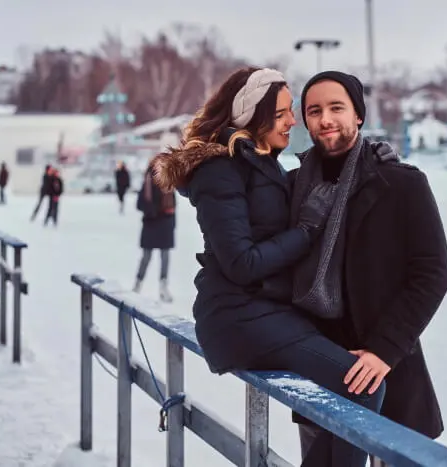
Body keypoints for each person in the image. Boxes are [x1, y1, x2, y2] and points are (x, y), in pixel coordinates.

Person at [151, 67, 398, 466]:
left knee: (357, 382)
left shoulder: (260, 165)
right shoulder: (220, 170)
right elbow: (242, 263)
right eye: (283, 112)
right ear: (254, 114)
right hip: (240, 316)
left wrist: (368, 161)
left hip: (264, 311)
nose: (293, 121)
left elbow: (307, 184)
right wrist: (305, 230)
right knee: (362, 386)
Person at [292, 71, 447, 464]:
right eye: (315, 111)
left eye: (336, 108)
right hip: (321, 373)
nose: (325, 119)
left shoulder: (403, 184)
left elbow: (432, 273)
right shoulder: (294, 188)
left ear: (358, 115)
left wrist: (384, 350)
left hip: (389, 371)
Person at [133, 164, 176, 302]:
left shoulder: (168, 183)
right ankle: (138, 284)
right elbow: (139, 203)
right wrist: (150, 210)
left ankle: (163, 287)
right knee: (147, 256)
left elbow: (173, 205)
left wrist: (173, 224)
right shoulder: (148, 182)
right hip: (152, 223)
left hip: (164, 224)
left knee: (164, 257)